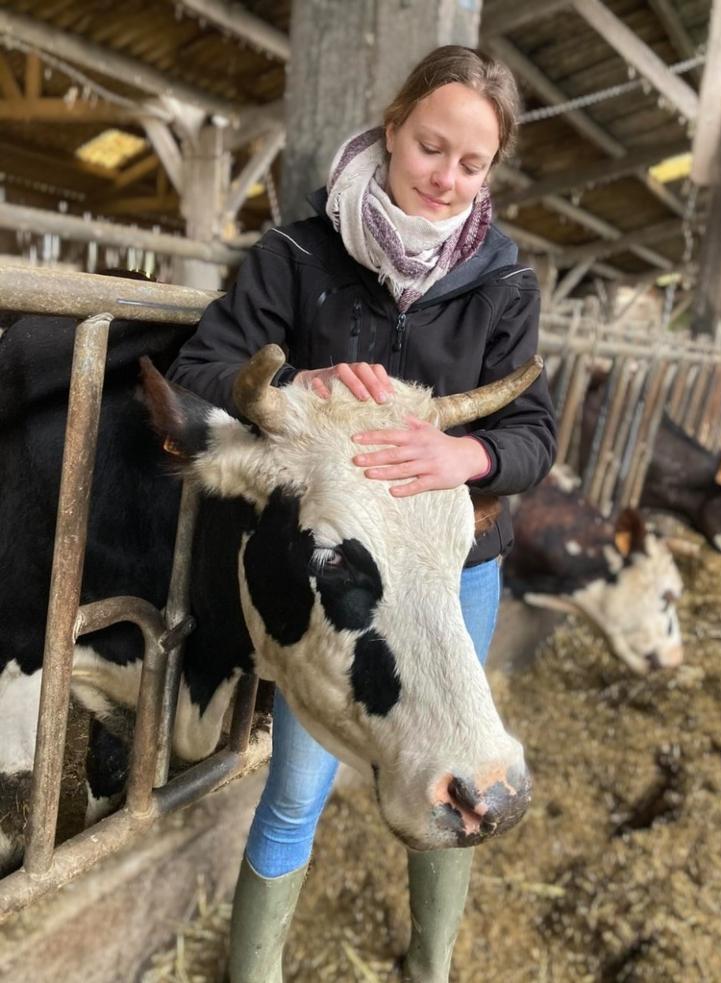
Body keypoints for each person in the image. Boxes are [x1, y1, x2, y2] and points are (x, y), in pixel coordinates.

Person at [168, 44, 556, 983]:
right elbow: (197, 376)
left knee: (456, 764)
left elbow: (534, 432)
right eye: (431, 147)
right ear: (390, 129)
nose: (446, 178)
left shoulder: (503, 283)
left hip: (454, 567)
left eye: (472, 165)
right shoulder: (297, 255)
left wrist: (465, 453)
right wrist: (300, 381)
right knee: (297, 788)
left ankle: (432, 965)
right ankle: (251, 970)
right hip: (346, 588)